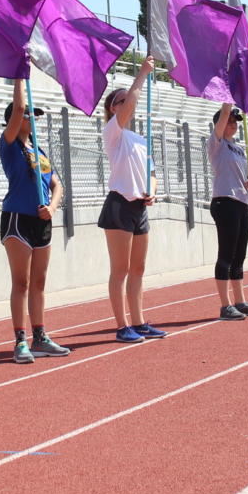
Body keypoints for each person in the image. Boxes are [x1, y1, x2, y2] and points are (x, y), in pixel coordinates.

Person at [0, 78, 70, 364]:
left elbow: (57, 185)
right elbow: (17, 110)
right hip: (18, 218)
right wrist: (19, 76)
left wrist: (52, 208)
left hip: (42, 220)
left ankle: (40, 336)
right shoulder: (9, 145)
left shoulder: (40, 151)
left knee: (39, 281)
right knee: (22, 282)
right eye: (30, 113)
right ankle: (20, 341)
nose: (34, 117)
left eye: (36, 114)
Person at [98, 57, 163, 343]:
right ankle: (122, 325)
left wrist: (153, 191)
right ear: (113, 109)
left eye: (127, 100)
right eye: (120, 101)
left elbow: (152, 173)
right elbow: (132, 102)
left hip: (138, 206)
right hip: (119, 205)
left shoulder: (139, 138)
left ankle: (139, 321)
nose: (127, 104)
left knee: (138, 269)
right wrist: (143, 74)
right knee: (120, 270)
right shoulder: (113, 132)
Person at [208, 104, 248, 320]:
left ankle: (240, 301)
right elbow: (223, 114)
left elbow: (241, 176)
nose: (233, 124)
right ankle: (225, 305)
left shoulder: (239, 148)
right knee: (227, 254)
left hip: (241, 202)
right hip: (225, 201)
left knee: (239, 255)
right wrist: (228, 100)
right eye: (230, 121)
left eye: (236, 121)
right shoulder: (216, 144)